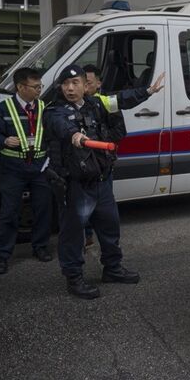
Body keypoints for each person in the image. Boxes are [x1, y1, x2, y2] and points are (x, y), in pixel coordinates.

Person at [43, 64, 139, 299]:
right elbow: (61, 126)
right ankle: (74, 278)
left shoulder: (96, 104)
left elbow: (121, 100)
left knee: (109, 226)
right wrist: (74, 134)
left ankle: (113, 269)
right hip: (75, 184)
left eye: (75, 83)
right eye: (66, 84)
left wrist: (148, 92)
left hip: (101, 179)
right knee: (73, 232)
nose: (70, 88)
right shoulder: (54, 110)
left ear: (86, 86)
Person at [80, 64, 164, 249]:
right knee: (79, 207)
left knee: (105, 209)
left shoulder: (105, 102)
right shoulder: (69, 105)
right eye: (80, 83)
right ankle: (85, 237)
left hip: (102, 163)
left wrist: (98, 142)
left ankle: (109, 252)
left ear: (98, 83)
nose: (83, 87)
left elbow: (120, 128)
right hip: (80, 166)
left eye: (88, 83)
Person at [0, 67, 53, 274]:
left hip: (40, 167)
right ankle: (2, 255)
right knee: (9, 212)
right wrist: (3, 140)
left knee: (43, 209)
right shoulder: (2, 110)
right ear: (21, 87)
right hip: (13, 169)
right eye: (35, 86)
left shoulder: (44, 107)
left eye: (40, 86)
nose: (39, 90)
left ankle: (40, 247)